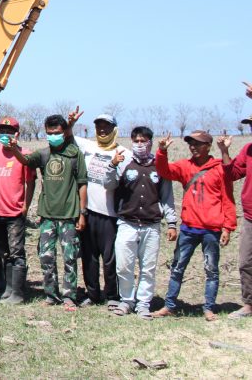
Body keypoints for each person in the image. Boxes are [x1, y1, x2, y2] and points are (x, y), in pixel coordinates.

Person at [152, 131, 236, 321]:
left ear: (208, 146)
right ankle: (170, 305)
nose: (193, 147)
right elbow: (164, 171)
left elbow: (228, 199)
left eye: (198, 144)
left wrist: (228, 227)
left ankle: (208, 308)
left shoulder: (220, 169)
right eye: (191, 143)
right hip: (189, 228)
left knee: (211, 270)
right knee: (177, 267)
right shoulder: (185, 166)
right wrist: (162, 151)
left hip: (211, 230)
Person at [11, 114, 87, 310]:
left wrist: (82, 213)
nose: (53, 136)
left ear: (64, 133)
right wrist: (13, 148)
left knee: (69, 257)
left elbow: (82, 184)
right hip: (46, 216)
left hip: (69, 215)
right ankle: (51, 294)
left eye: (57, 133)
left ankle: (70, 296)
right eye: (50, 133)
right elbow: (26, 161)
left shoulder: (74, 154)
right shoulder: (43, 154)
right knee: (46, 257)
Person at [112, 126, 176, 318]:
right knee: (124, 266)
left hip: (151, 225)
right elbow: (110, 185)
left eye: (143, 141)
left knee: (148, 268)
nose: (140, 144)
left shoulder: (160, 167)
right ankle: (127, 301)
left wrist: (172, 222)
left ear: (150, 142)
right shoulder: (125, 164)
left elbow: (167, 196)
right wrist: (112, 166)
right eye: (136, 141)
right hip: (127, 223)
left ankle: (143, 304)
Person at [74, 112, 127, 308]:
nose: (102, 130)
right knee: (89, 257)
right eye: (99, 126)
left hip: (110, 214)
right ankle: (93, 294)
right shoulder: (88, 147)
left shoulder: (123, 153)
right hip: (88, 211)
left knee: (110, 259)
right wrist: (71, 122)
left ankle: (112, 295)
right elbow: (68, 135)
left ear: (114, 129)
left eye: (106, 126)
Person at [0, 116, 36, 304]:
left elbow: (30, 181)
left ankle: (18, 294)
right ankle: (8, 289)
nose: (5, 135)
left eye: (9, 131)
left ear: (17, 134)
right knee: (3, 252)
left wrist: (26, 205)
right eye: (2, 131)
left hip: (14, 212)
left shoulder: (24, 154)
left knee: (17, 253)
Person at [222, 122, 252, 318]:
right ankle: (249, 304)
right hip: (250, 217)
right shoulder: (248, 150)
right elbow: (233, 173)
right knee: (246, 262)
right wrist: (224, 151)